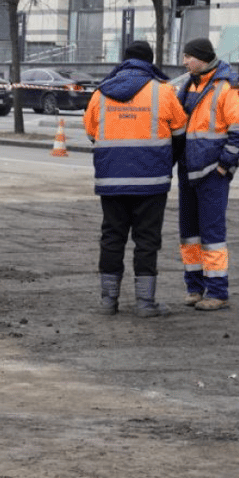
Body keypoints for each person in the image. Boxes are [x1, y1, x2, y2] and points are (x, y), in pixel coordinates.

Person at [83, 41, 189, 317]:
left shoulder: (100, 93)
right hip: (151, 180)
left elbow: (92, 132)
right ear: (150, 61)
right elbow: (180, 131)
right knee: (147, 239)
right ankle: (145, 303)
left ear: (125, 60)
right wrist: (166, 161)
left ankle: (108, 301)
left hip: (111, 180)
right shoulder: (164, 92)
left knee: (112, 237)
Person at [176, 38, 239, 311]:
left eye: (188, 57)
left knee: (212, 235)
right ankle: (194, 287)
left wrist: (223, 165)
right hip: (189, 170)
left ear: (202, 57)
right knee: (190, 234)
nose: (184, 62)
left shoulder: (229, 87)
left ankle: (217, 291)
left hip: (211, 173)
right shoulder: (189, 85)